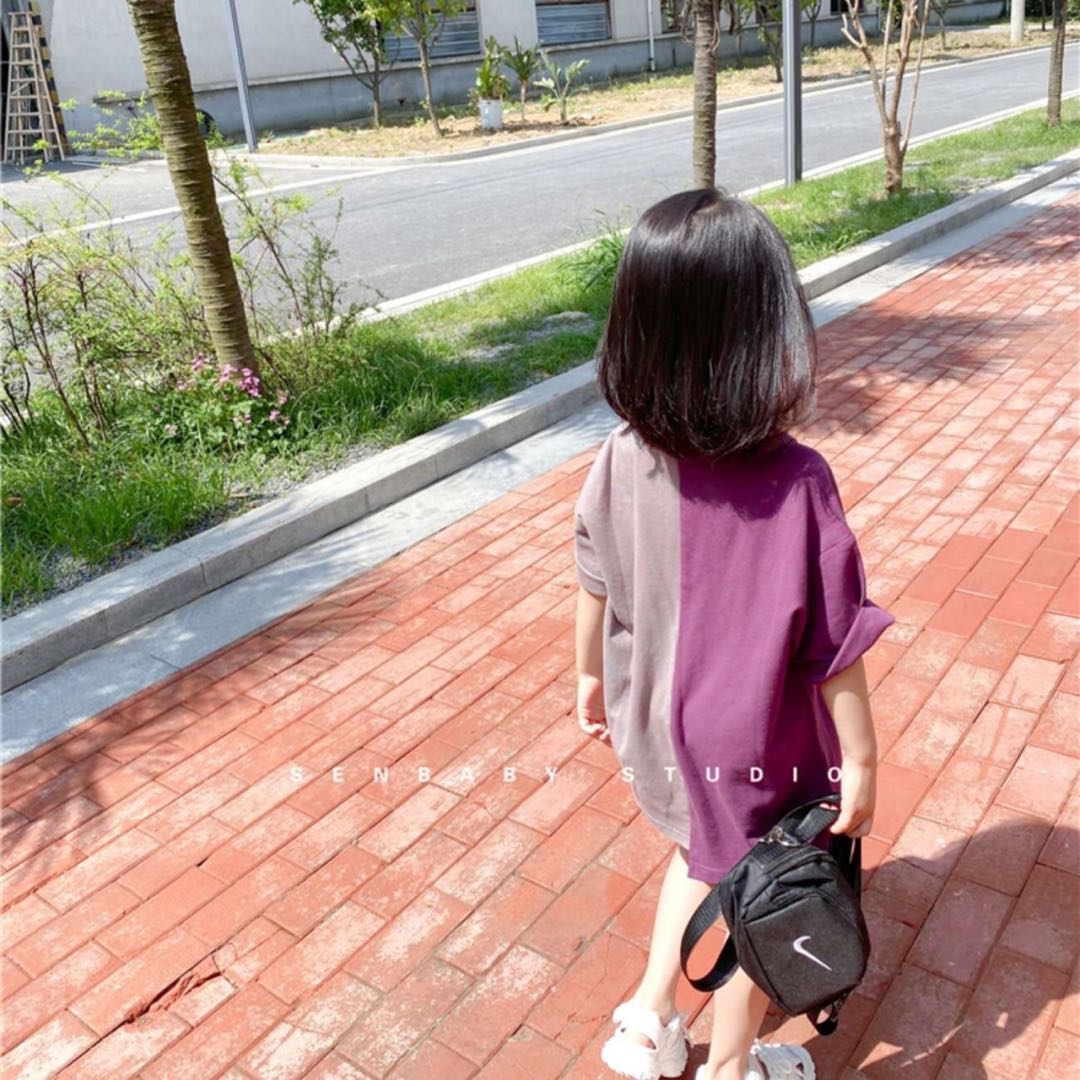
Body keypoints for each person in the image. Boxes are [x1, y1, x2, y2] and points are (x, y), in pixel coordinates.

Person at [572, 187, 895, 1080]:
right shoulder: (797, 481)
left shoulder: (621, 454)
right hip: (759, 746)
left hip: (655, 723)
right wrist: (862, 761)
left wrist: (588, 679)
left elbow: (593, 577)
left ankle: (649, 1023)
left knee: (700, 854)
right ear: (767, 335)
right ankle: (728, 1064)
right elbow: (836, 641)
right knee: (766, 895)